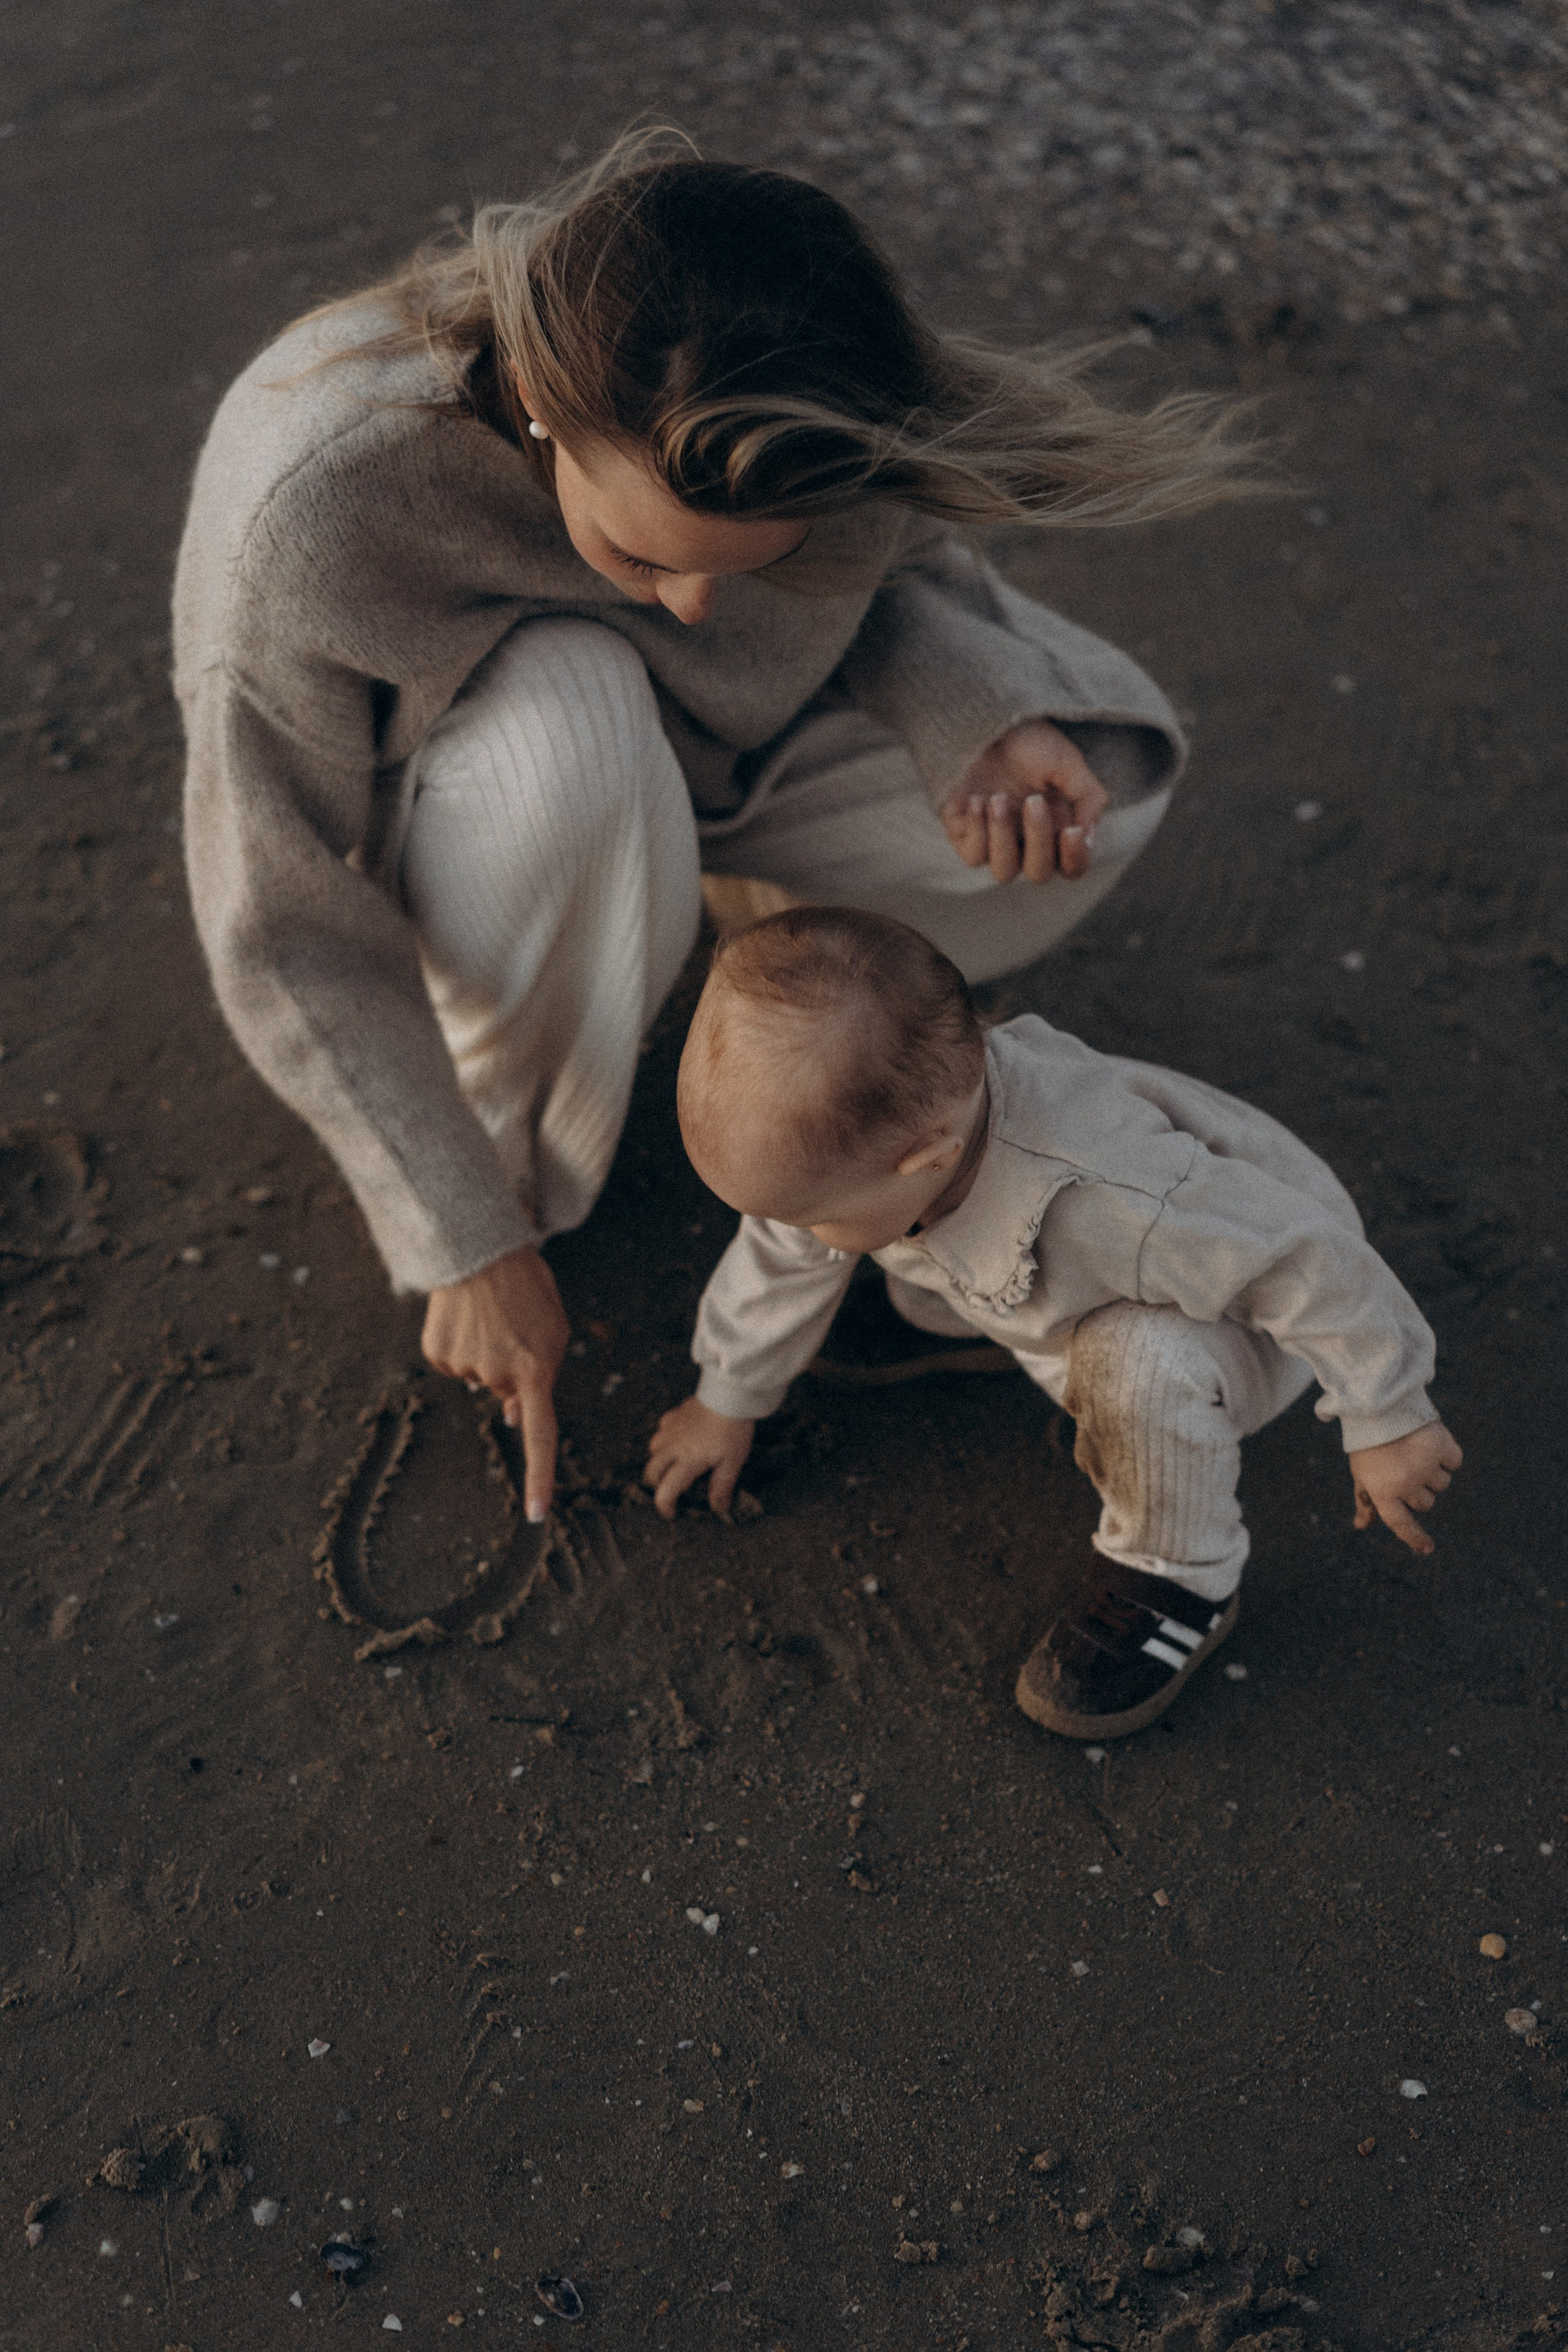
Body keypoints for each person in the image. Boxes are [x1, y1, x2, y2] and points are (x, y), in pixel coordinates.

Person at [173, 129, 1260, 1528]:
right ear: (541, 416)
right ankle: (522, 1161)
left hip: (719, 760)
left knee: (1083, 809)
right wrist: (457, 1239)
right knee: (576, 717)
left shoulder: (796, 377)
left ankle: (722, 938)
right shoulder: (318, 502)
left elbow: (901, 570)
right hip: (487, 809)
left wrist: (969, 714)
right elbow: (278, 920)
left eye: (744, 567)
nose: (692, 605)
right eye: (639, 556)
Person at [645, 908, 1462, 1739]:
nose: (801, 1235)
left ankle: (1178, 1572)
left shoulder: (1118, 1199)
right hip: (1078, 1260)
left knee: (1135, 1365)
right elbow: (781, 1248)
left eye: (814, 1219)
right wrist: (730, 1393)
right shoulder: (919, 1126)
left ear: (925, 1158)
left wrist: (1385, 1411)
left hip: (1247, 1306)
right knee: (877, 1236)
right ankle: (973, 1311)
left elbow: (1304, 1261)